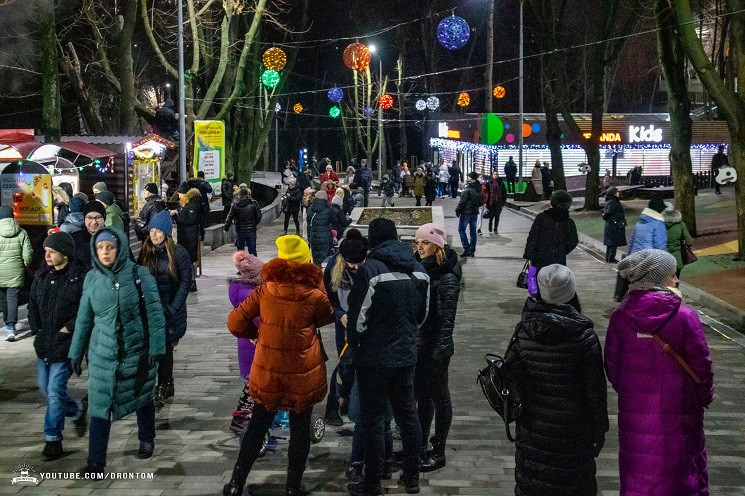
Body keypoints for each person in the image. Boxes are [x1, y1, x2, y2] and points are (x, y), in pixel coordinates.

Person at [223, 235, 335, 496]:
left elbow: (234, 322)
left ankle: (236, 483)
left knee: (258, 425)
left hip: (269, 371)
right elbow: (327, 317)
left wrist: (257, 333)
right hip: (302, 372)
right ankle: (293, 486)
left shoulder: (265, 289)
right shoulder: (314, 295)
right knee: (299, 429)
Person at [605, 249, 714, 495]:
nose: (677, 280)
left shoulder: (619, 318)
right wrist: (703, 397)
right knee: (681, 478)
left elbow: (613, 368)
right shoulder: (685, 317)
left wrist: (634, 391)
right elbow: (702, 367)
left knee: (640, 477)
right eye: (673, 275)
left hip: (635, 416)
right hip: (680, 414)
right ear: (658, 278)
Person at [69, 227, 166, 475]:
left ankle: (146, 437)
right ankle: (95, 461)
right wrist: (75, 352)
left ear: (119, 248)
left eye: (109, 247)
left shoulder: (140, 274)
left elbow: (155, 314)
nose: (105, 252)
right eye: (100, 248)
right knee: (100, 405)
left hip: (136, 350)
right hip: (102, 354)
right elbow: (84, 318)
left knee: (142, 395)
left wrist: (157, 346)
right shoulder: (91, 278)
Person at [506, 264, 608, 496]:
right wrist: (599, 429)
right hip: (573, 430)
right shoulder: (584, 336)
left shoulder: (524, 329)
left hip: (534, 426)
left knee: (535, 482)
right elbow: (595, 390)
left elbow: (512, 375)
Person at [346, 218, 430, 496]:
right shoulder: (419, 271)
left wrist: (356, 343)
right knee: (408, 416)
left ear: (373, 239)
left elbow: (357, 321)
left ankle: (372, 484)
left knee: (373, 420)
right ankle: (412, 477)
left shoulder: (371, 270)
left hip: (373, 358)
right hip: (406, 355)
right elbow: (421, 316)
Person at [29, 231, 88, 460]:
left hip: (65, 345)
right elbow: (33, 304)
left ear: (64, 253)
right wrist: (37, 329)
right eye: (46, 251)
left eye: (52, 251)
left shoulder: (78, 277)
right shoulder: (42, 276)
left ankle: (53, 439)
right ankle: (77, 410)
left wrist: (70, 327)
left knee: (54, 391)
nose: (47, 256)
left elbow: (85, 308)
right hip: (44, 343)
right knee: (46, 389)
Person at [413, 224, 461, 473]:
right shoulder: (419, 268)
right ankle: (420, 446)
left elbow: (447, 319)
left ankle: (439, 449)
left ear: (438, 246)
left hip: (436, 347)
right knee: (422, 397)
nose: (419, 247)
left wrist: (439, 350)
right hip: (420, 343)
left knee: (439, 397)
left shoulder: (447, 274)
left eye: (425, 243)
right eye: (417, 242)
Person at [137, 210, 193, 410]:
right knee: (153, 348)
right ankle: (158, 384)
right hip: (150, 311)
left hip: (169, 310)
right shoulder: (146, 251)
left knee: (166, 348)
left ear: (167, 233)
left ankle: (164, 384)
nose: (154, 234)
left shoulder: (178, 253)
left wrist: (174, 307)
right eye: (152, 230)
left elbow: (186, 281)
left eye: (158, 230)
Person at [323, 229, 369, 427]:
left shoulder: (369, 267)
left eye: (360, 262)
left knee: (362, 363)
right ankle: (333, 405)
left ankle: (350, 401)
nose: (356, 267)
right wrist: (340, 315)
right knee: (345, 363)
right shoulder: (334, 267)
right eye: (352, 263)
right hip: (344, 323)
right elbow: (331, 300)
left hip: (365, 322)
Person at [228, 252, 264, 433]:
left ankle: (241, 419)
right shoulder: (257, 294)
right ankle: (241, 420)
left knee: (250, 383)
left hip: (244, 343)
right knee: (254, 386)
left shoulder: (235, 290)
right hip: (257, 343)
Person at [0, 205, 32, 341]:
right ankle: (11, 327)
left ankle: (7, 322)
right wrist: (24, 264)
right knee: (12, 298)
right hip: (16, 271)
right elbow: (28, 253)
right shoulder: (21, 232)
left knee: (3, 299)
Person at [523, 190, 579, 270]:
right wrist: (562, 251)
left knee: (536, 280)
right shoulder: (569, 222)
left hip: (539, 258)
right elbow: (573, 241)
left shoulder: (541, 217)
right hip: (558, 260)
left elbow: (533, 237)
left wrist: (528, 254)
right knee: (555, 280)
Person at [172, 182, 202, 292]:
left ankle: (191, 282)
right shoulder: (189, 204)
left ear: (185, 194)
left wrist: (177, 217)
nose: (179, 196)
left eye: (180, 194)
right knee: (188, 259)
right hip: (187, 235)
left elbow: (190, 220)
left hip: (189, 236)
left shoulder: (192, 205)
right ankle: (189, 281)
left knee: (189, 259)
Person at [224, 186, 262, 256]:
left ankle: (241, 264)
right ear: (248, 193)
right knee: (252, 249)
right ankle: (253, 264)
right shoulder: (253, 203)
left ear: (239, 194)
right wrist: (254, 223)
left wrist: (226, 227)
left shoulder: (235, 204)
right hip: (251, 229)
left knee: (240, 250)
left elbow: (230, 216)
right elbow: (259, 216)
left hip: (239, 229)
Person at [71, 201, 107, 269]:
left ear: (104, 219)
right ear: (84, 219)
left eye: (98, 217)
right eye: (89, 218)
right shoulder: (74, 239)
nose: (94, 222)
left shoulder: (114, 238)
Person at [455, 172, 482, 257]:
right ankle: (472, 250)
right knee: (473, 232)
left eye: (468, 177)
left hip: (466, 213)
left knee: (461, 230)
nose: (467, 178)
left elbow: (462, 201)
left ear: (470, 178)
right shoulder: (479, 188)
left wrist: (457, 210)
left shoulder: (468, 188)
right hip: (474, 212)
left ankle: (467, 248)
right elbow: (481, 201)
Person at [307, 190, 335, 264]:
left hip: (313, 237)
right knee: (325, 259)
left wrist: (309, 238)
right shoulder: (328, 209)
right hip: (325, 237)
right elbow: (333, 222)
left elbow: (308, 224)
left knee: (315, 258)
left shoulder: (310, 208)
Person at [664, 207, 694, 278]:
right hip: (676, 259)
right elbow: (689, 241)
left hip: (663, 260)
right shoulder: (680, 225)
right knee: (675, 280)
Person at [602, 187, 627, 263]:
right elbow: (607, 213)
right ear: (614, 193)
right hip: (614, 226)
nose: (618, 193)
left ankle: (609, 258)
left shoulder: (611, 201)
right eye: (617, 192)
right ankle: (611, 258)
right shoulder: (612, 202)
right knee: (613, 243)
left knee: (611, 243)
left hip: (612, 225)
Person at [486, 170, 508, 234]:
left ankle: (495, 228)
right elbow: (487, 194)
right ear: (492, 175)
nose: (495, 175)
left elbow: (504, 192)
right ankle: (490, 224)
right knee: (492, 215)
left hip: (498, 201)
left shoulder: (500, 183)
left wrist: (503, 202)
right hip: (491, 202)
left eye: (496, 174)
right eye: (494, 174)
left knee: (497, 215)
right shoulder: (489, 183)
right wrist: (487, 203)